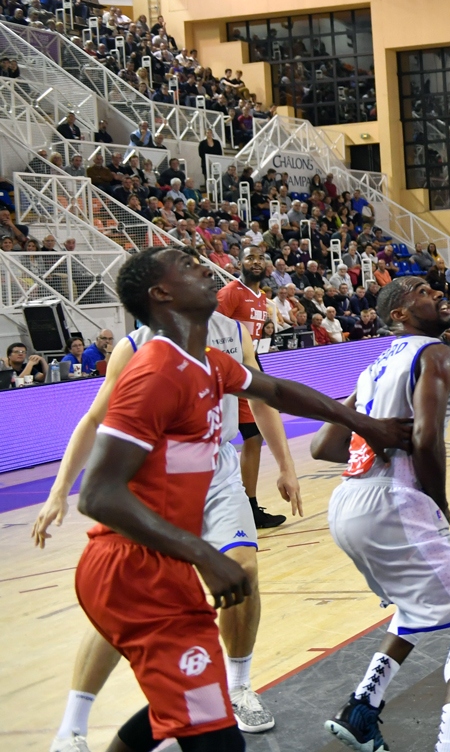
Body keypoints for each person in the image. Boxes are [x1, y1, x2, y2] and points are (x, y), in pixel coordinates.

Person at [65, 247, 408, 752]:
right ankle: (72, 725)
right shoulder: (155, 374)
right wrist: (205, 554)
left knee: (192, 709)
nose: (206, 269)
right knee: (217, 737)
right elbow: (96, 494)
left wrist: (360, 422)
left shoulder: (209, 362)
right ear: (161, 295)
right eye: (187, 266)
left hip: (167, 565)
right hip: (131, 570)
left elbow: (279, 392)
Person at [34, 297, 304, 748]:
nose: (203, 281)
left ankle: (238, 686)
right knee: (125, 598)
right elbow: (96, 419)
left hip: (215, 468)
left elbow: (264, 399)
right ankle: (73, 727)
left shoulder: (233, 334)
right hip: (157, 475)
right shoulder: (136, 346)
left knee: (245, 571)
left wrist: (286, 465)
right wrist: (59, 489)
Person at [310, 278, 450, 752]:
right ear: (399, 314)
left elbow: (322, 445)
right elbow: (426, 440)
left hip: (348, 503)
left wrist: (372, 447)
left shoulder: (374, 365)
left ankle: (361, 709)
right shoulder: (436, 353)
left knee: (413, 605)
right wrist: (439, 503)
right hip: (394, 501)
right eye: (419, 291)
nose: (432, 291)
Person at [218, 246, 280, 528]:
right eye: (249, 258)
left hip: (249, 365)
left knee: (253, 437)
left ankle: (248, 506)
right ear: (239, 262)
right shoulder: (232, 291)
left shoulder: (262, 297)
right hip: (229, 373)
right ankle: (237, 507)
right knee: (232, 438)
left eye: (260, 258)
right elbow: (212, 326)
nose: (255, 262)